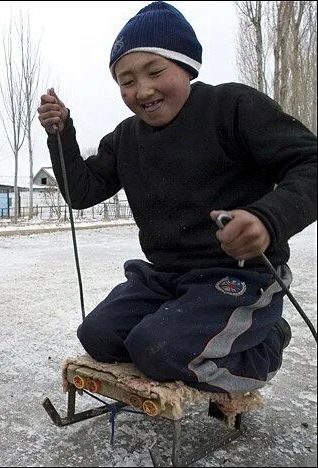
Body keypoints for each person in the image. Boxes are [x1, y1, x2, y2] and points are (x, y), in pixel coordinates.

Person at [37, 1, 316, 393]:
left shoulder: (232, 107)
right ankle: (199, 327)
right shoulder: (124, 137)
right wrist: (62, 135)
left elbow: (310, 162)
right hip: (166, 276)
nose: (143, 89)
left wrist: (267, 220)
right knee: (98, 336)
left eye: (155, 71)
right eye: (126, 80)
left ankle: (264, 344)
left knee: (156, 349)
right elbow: (83, 192)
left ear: (186, 64)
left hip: (238, 275)